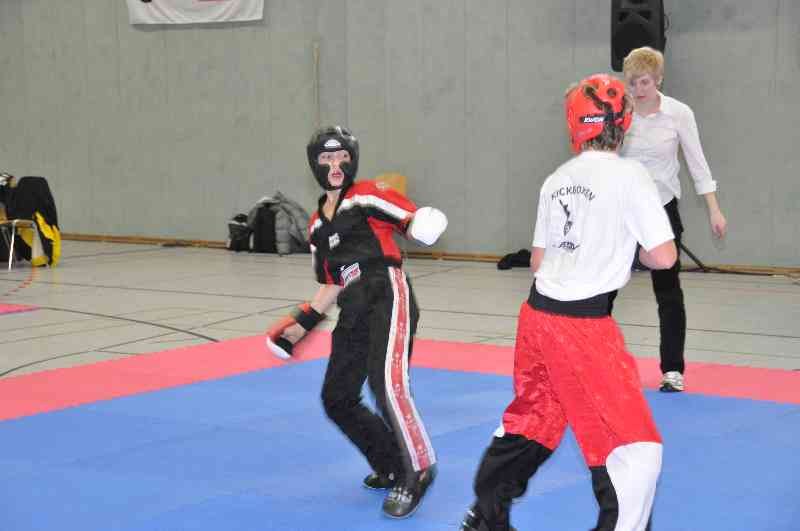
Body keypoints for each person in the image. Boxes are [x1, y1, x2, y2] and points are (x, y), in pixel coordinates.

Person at [459, 74, 677, 531]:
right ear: (624, 122)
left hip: (537, 317)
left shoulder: (556, 179)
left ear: (575, 124)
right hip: (583, 327)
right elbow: (664, 256)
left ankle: (486, 513)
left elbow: (538, 261)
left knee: (537, 414)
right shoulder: (632, 175)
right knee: (633, 449)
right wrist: (630, 253)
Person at [265, 125, 447, 519]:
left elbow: (408, 219)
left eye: (341, 157)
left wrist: (421, 225)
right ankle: (391, 464)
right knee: (337, 397)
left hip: (385, 291)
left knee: (387, 384)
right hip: (352, 307)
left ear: (352, 160)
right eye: (326, 158)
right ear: (315, 164)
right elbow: (330, 283)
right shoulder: (317, 225)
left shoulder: (365, 194)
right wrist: (300, 326)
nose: (334, 165)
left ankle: (418, 468)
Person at [620, 46, 728, 393]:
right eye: (632, 82)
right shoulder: (619, 111)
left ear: (659, 80)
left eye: (645, 82)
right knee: (603, 289)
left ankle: (672, 370)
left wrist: (714, 209)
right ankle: (594, 365)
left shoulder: (679, 114)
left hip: (661, 211)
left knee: (668, 292)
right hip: (622, 211)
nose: (638, 90)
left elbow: (697, 163)